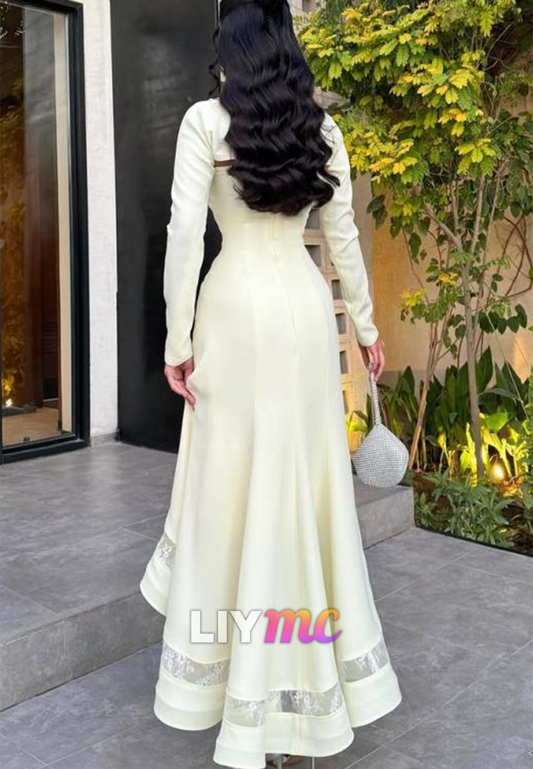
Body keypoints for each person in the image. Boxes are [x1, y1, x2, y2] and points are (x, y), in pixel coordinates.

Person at [139, 0, 402, 766]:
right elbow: (342, 237)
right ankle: (299, 704)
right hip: (302, 311)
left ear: (227, 39)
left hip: (230, 316)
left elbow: (184, 235)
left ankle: (241, 689)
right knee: (300, 496)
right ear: (286, 39)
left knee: (231, 496)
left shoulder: (203, 123)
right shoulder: (321, 129)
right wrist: (365, 328)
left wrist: (176, 341)